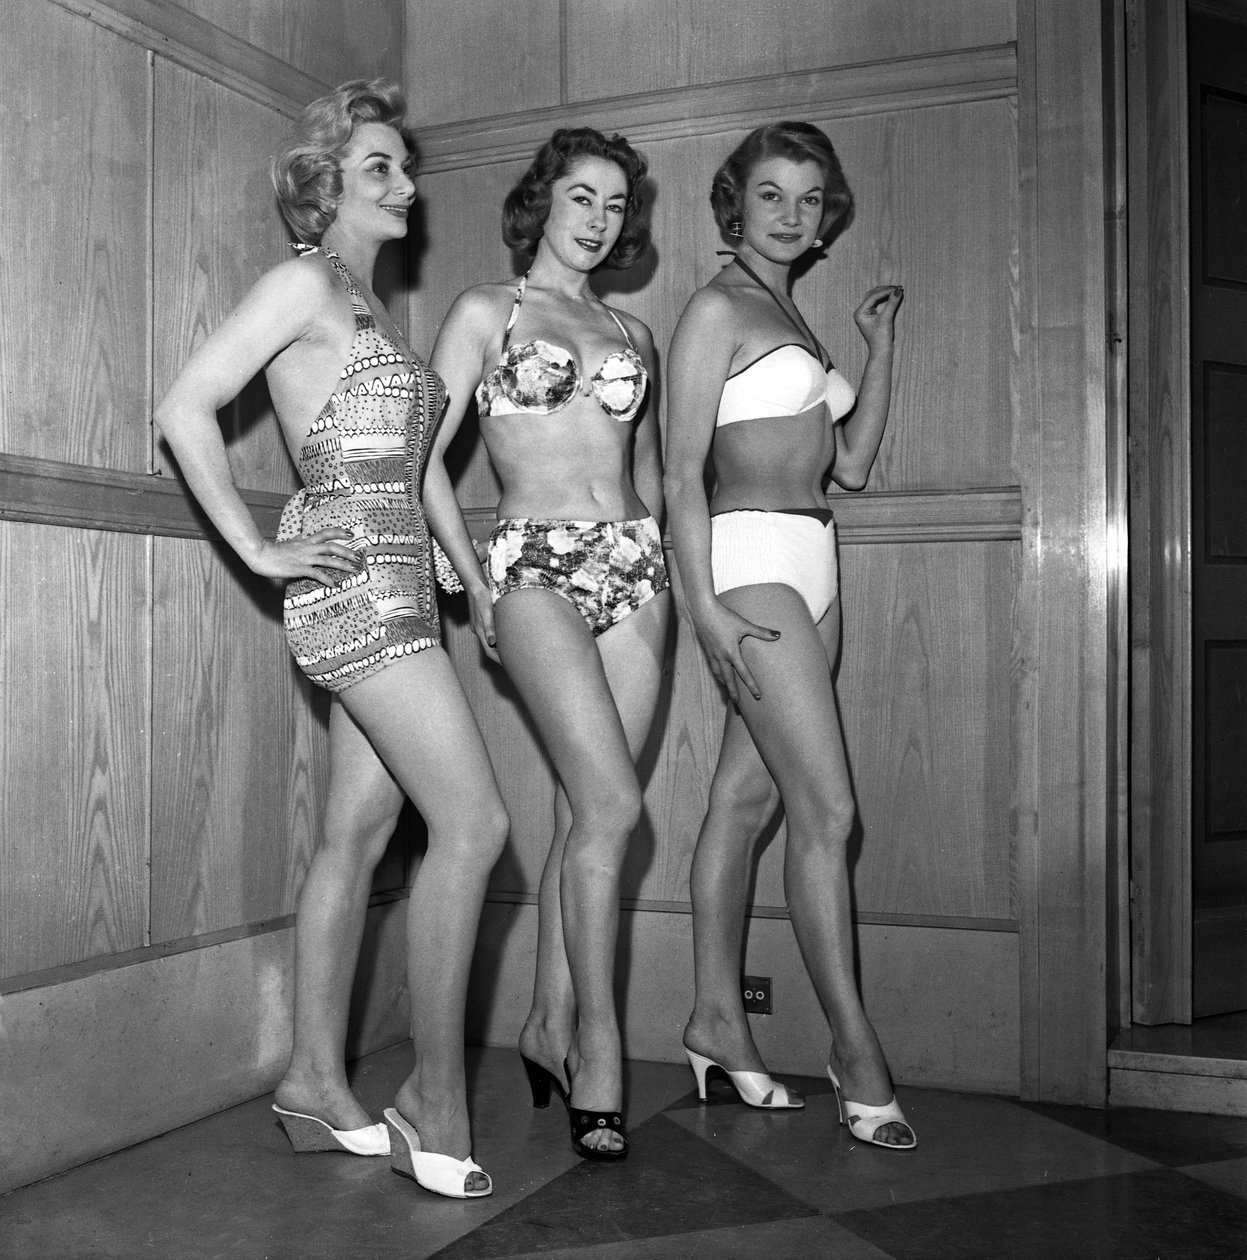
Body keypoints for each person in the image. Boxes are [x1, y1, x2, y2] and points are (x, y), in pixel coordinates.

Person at [155, 80, 508, 1198]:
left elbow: (402, 465)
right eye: (378, 168)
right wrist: (260, 550)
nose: (405, 184)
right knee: (476, 824)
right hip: (356, 586)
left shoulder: (365, 303)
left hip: (405, 579)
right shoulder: (304, 282)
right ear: (324, 186)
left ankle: (313, 1077)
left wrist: (458, 568)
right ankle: (435, 1100)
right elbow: (183, 407)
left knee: (358, 831)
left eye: (405, 167)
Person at [664, 122, 913, 1149]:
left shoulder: (791, 316)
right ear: (736, 202)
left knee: (744, 798)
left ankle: (713, 1021)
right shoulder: (716, 308)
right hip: (750, 559)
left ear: (825, 218)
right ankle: (855, 1050)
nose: (789, 214)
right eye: (770, 194)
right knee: (829, 810)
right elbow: (678, 473)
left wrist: (877, 350)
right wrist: (702, 606)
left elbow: (849, 465)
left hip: (817, 560)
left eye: (809, 199)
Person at [424, 128, 668, 1161]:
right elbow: (421, 462)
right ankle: (598, 1047)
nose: (598, 218)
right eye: (581, 196)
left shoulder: (630, 331)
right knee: (615, 807)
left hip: (635, 568)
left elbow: (647, 472)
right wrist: (474, 582)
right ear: (542, 201)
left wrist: (663, 569)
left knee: (586, 812)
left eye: (615, 204)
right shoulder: (489, 312)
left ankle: (543, 1021)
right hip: (530, 564)